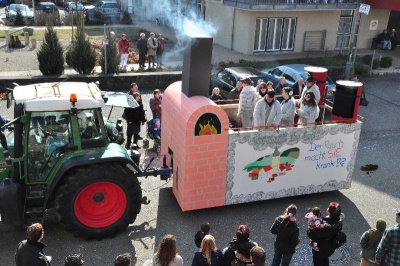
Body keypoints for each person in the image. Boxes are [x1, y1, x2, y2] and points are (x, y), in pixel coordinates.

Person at [307, 202, 344, 266]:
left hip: (320, 249)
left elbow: (312, 235)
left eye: (328, 208)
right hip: (330, 248)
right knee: (325, 260)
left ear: (329, 212)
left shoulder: (323, 225)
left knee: (318, 262)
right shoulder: (339, 222)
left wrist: (310, 227)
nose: (327, 208)